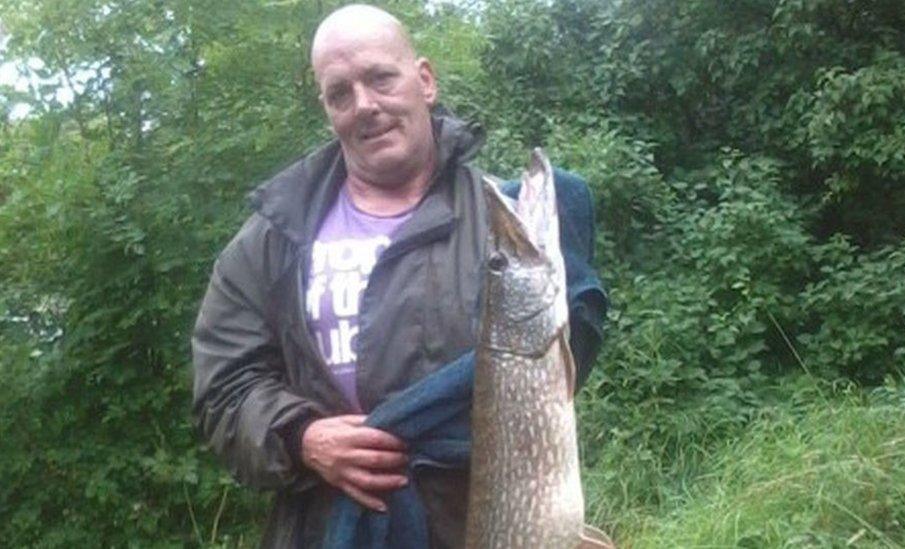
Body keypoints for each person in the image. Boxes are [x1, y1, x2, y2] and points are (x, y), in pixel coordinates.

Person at [191, 4, 606, 548]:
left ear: (425, 80)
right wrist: (300, 436)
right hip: (328, 528)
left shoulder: (503, 219)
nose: (365, 105)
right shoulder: (273, 236)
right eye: (340, 92)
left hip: (479, 520)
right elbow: (224, 385)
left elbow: (561, 360)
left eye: (381, 77)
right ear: (327, 108)